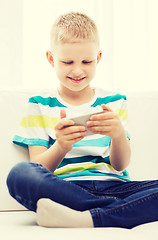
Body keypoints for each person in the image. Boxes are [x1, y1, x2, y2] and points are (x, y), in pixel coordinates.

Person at [7, 12, 158, 229]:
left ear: (98, 58)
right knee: (19, 174)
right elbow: (38, 168)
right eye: (67, 61)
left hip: (115, 187)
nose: (77, 70)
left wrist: (117, 135)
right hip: (65, 190)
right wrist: (61, 146)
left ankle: (89, 217)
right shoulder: (39, 104)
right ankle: (119, 210)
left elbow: (119, 165)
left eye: (86, 61)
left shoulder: (115, 101)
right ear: (51, 59)